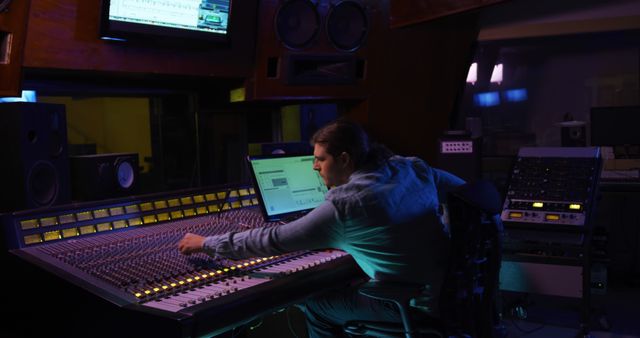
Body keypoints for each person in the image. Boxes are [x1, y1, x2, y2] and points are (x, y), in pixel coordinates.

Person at [178, 119, 465, 337]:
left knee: (315, 304)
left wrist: (206, 243)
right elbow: (468, 194)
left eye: (320, 159)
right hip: (453, 295)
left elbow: (274, 239)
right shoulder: (410, 167)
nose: (314, 167)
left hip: (413, 306)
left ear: (344, 159)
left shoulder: (348, 205)